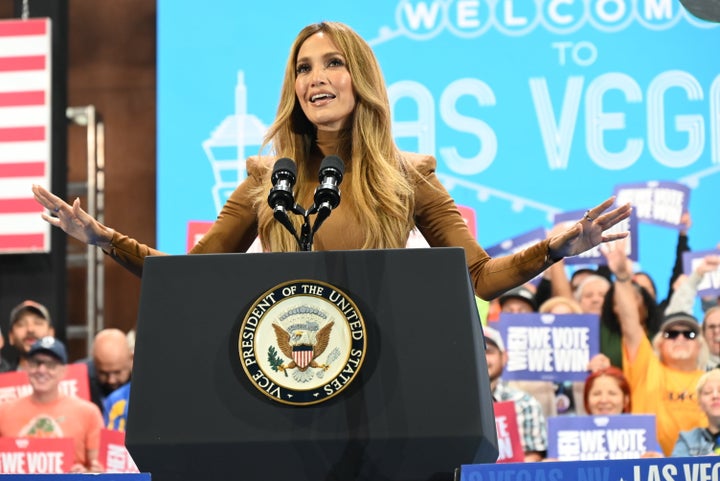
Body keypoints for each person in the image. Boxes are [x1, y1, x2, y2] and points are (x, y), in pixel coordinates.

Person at [31, 21, 631, 301]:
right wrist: (103, 237)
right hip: (284, 369)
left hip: (383, 367)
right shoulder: (267, 181)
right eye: (302, 67)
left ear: (361, 77)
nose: (315, 78)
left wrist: (556, 249)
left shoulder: (408, 174)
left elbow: (479, 279)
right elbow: (192, 280)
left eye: (332, 63)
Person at [607, 239, 709, 456]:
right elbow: (630, 323)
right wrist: (623, 277)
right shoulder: (647, 367)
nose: (680, 338)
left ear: (700, 346)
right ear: (659, 343)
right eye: (671, 334)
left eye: (689, 334)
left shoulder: (712, 383)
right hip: (646, 470)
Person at [0, 336, 104, 472]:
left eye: (51, 365)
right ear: (27, 367)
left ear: (64, 371)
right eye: (36, 363)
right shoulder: (3, 411)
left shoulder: (88, 413)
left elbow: (99, 469)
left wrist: (84, 475)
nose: (42, 370)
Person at [484, 326, 547, 462]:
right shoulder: (454, 404)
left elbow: (534, 455)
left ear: (504, 357)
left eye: (488, 351)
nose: (482, 357)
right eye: (476, 351)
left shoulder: (524, 403)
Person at [82, 328, 134, 415]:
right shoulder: (80, 377)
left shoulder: (145, 381)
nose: (111, 380)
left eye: (117, 372)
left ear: (131, 359)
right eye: (103, 373)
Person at [672, 368, 720, 457]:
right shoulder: (687, 440)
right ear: (700, 404)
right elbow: (677, 468)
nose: (715, 395)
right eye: (708, 392)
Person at [6, 300, 55, 371]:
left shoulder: (70, 377)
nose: (30, 329)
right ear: (11, 337)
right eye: (21, 324)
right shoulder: (3, 380)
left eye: (38, 323)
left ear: (51, 333)